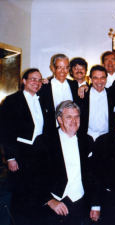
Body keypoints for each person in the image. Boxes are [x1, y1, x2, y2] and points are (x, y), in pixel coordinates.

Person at [2, 68, 47, 225]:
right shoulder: (12, 100)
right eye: (32, 79)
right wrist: (11, 157)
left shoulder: (42, 100)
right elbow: (6, 130)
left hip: (39, 153)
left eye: (39, 80)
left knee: (37, 192)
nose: (36, 83)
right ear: (24, 81)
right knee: (20, 195)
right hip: (21, 153)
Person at [43, 100, 98, 225]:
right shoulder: (46, 141)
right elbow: (36, 177)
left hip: (82, 201)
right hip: (56, 201)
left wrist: (96, 205)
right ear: (60, 119)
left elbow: (95, 176)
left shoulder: (87, 140)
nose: (74, 121)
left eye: (76, 117)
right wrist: (50, 201)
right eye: (68, 117)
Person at [37, 54, 80, 137]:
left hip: (72, 132)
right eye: (59, 67)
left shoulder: (74, 85)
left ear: (69, 68)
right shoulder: (44, 86)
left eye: (65, 67)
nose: (62, 71)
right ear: (53, 68)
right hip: (51, 132)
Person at [78, 65, 115, 140]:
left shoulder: (113, 95)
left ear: (106, 79)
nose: (99, 81)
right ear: (90, 79)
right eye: (95, 78)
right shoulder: (82, 95)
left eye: (102, 78)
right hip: (87, 137)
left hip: (107, 137)